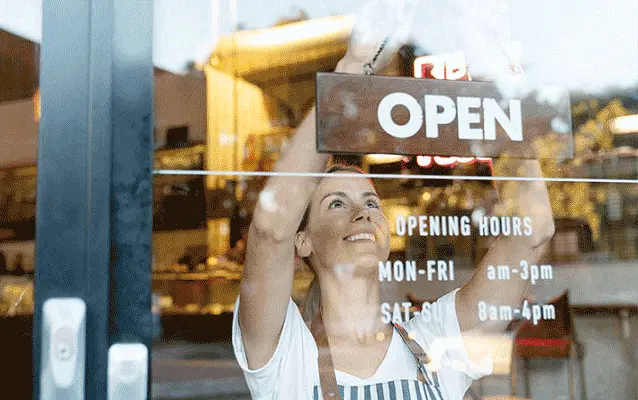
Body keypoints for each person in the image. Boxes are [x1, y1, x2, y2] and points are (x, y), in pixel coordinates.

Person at [232, 1, 555, 398]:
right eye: (336, 203)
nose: (362, 214)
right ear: (304, 241)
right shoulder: (284, 353)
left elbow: (533, 231)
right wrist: (351, 72)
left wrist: (489, 71)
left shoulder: (436, 342)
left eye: (371, 204)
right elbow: (269, 229)